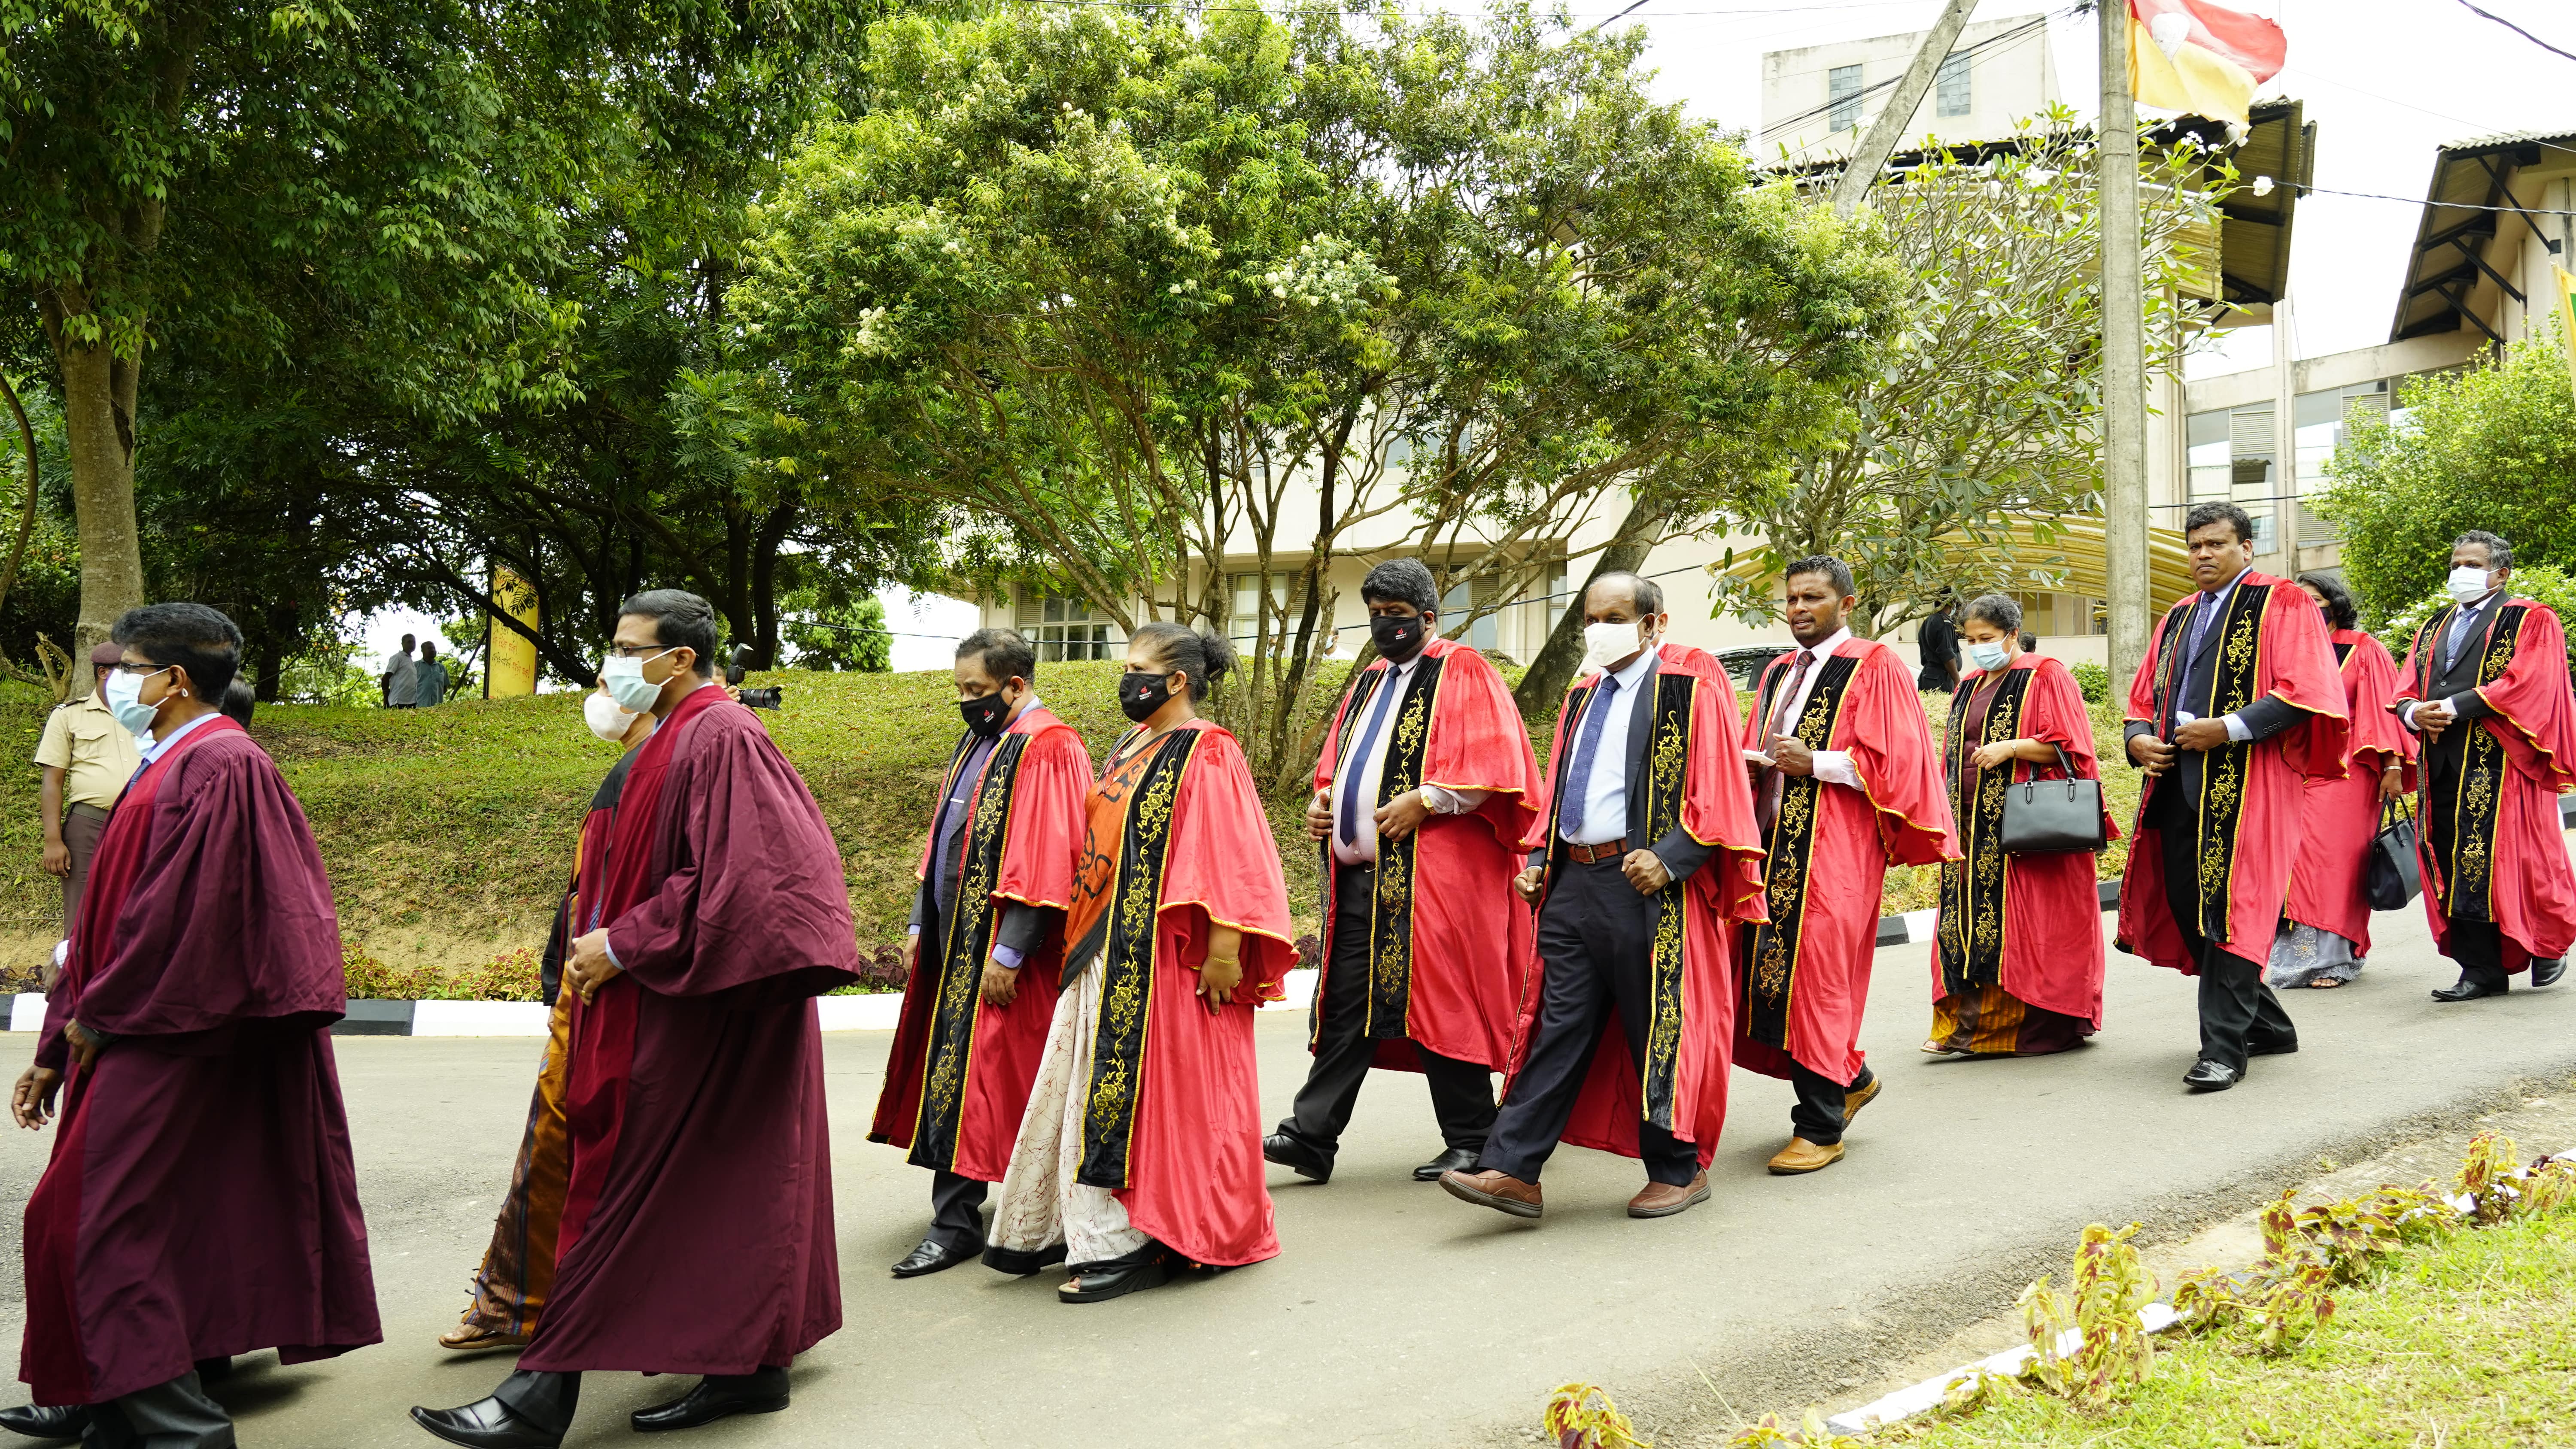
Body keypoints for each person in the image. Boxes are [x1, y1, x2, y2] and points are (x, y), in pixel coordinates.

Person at [412, 590, 860, 1449]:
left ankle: (541, 1393)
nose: (612, 663)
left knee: (624, 1191)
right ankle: (751, 1367)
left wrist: (621, 942)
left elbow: (754, 882)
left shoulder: (723, 734)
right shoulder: (677, 736)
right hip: (668, 1005)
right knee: (714, 1196)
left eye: (628, 647)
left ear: (680, 657)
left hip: (706, 1017)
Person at [7, 603, 378, 1449]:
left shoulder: (224, 767)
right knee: (85, 1220)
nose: (111, 682)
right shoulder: (162, 763)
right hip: (125, 1026)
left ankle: (184, 1430)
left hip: (166, 1036)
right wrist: (57, 1045)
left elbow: (191, 924)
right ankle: (117, 1418)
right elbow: (105, 919)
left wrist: (95, 1019)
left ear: (173, 680)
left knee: (92, 1221)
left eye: (126, 667)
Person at [983, 624, 1297, 1303]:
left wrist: (1222, 954)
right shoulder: (1132, 745)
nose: (1127, 679)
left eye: (1138, 669)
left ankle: (1150, 1236)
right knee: (1093, 1091)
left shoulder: (1210, 752)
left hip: (1168, 963)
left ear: (1177, 681)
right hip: (1106, 948)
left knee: (1164, 1099)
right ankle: (1096, 1229)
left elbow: (1231, 858)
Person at [1439, 572, 1766, 1220]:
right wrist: (1539, 856)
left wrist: (1672, 859)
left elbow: (1722, 787)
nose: (1599, 629)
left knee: (1656, 1026)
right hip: (1574, 882)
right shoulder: (1582, 697)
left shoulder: (1691, 687)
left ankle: (1680, 1168)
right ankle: (1513, 1170)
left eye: (1615, 616)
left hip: (1645, 883)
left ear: (1654, 624)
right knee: (1558, 1027)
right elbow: (1566, 787)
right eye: (1590, 617)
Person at [1269, 559, 1543, 1187]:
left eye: (1396, 614)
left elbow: (1497, 765)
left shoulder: (1463, 669)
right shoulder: (1370, 679)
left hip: (1434, 878)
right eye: (1376, 614)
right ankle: (1311, 1137)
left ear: (1428, 617)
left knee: (1439, 997)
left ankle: (1473, 1139)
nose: (1384, 625)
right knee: (1348, 1004)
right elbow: (1344, 758)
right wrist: (1324, 800)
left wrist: (1428, 798)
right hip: (1363, 879)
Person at [436, 682, 656, 1355]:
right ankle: (526, 1302)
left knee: (561, 1146)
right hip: (588, 987)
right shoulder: (630, 769)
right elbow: (582, 894)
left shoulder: (653, 771)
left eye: (606, 681)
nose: (598, 695)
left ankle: (522, 1305)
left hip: (611, 994)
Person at [870, 628, 1090, 1279]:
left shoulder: (1051, 746)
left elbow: (1053, 854)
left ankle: (959, 1219)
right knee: (963, 1074)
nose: (967, 701)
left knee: (988, 1079)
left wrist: (1012, 950)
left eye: (977, 690)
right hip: (954, 939)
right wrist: (920, 918)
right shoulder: (981, 738)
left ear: (1016, 684)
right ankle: (975, 1207)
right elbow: (945, 833)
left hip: (1000, 953)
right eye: (961, 689)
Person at [2117, 503, 2347, 1092]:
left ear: (2247, 547)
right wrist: (2138, 739)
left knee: (2230, 911)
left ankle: (2222, 1050)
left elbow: (2306, 692)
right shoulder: (2178, 615)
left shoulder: (2283, 603)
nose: (2202, 555)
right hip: (2174, 784)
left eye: (2216, 544)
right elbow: (2143, 698)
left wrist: (2229, 728)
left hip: (2248, 785)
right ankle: (2269, 1025)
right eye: (2195, 545)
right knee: (2192, 908)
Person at [1735, 557, 1955, 1172]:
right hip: (1774, 844)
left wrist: (1819, 763)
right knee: (1769, 974)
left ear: (1846, 603)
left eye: (1813, 597)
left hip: (1835, 849)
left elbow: (1901, 763)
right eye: (1792, 598)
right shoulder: (1780, 670)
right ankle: (1850, 1077)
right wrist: (1755, 763)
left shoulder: (1874, 665)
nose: (1799, 608)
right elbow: (1771, 750)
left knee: (1819, 977)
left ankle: (1820, 1127)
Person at [1927, 594, 2117, 1056]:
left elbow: (2073, 750)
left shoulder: (2045, 674)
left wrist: (2011, 748)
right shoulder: (1969, 683)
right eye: (1969, 640)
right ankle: (1964, 1026)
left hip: (2022, 828)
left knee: (2028, 925)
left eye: (1986, 639)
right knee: (1965, 924)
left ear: (2013, 634)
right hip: (1969, 822)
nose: (1976, 647)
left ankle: (2029, 1027)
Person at [2392, 531, 2576, 1001]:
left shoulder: (2531, 619)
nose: (2461, 572)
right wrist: (2415, 711)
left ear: (2501, 573)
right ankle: (2480, 968)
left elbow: (2527, 683)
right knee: (2452, 859)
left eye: (2472, 564)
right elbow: (2406, 684)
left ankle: (2541, 940)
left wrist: (2449, 707)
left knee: (2506, 861)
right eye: (2456, 563)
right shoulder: (2433, 625)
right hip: (2440, 761)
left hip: (2502, 763)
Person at [2267, 573, 2412, 991]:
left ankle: (2333, 959)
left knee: (2333, 866)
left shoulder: (2362, 649)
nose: (2308, 608)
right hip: (2295, 771)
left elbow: (2383, 711)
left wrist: (2394, 767)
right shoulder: (2286, 653)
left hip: (2349, 772)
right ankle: (2300, 957)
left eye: (2315, 600)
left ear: (2334, 603)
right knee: (2295, 866)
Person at [33, 643, 141, 962]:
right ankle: (74, 994)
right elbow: (52, 781)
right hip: (88, 825)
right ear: (103, 673)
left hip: (140, 824)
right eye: (126, 673)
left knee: (139, 908)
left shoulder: (147, 714)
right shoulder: (69, 716)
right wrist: (53, 840)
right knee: (81, 916)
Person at [1915, 593, 1962, 694]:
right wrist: (1957, 682)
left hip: (1929, 677)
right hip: (1940, 679)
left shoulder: (1929, 620)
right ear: (1952, 603)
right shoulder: (1944, 623)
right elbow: (1947, 655)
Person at [383, 634, 419, 708]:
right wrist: (386, 698)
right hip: (399, 701)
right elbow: (386, 677)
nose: (412, 644)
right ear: (403, 644)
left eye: (414, 642)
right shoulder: (398, 657)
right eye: (409, 642)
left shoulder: (410, 660)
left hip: (411, 701)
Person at [415, 640, 450, 707]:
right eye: (430, 648)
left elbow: (445, 687)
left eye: (434, 648)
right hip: (419, 707)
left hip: (437, 707)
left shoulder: (441, 667)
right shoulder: (415, 666)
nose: (433, 650)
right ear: (423, 651)